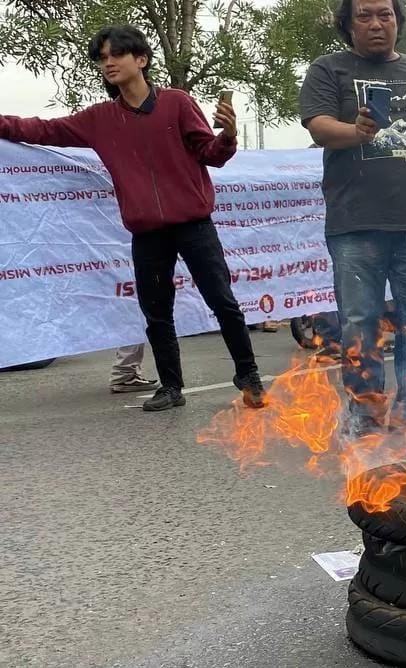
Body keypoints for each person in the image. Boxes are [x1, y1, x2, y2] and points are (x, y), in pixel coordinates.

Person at [0, 25, 265, 412]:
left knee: (222, 302)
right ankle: (171, 388)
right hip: (147, 234)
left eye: (116, 54)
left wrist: (227, 136)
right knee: (157, 314)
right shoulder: (99, 119)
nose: (108, 62)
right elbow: (41, 128)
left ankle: (249, 376)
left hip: (194, 226)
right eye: (102, 57)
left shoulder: (178, 103)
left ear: (141, 60)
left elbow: (211, 153)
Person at [299, 0, 406, 437]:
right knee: (360, 321)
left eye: (385, 15)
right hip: (355, 222)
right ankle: (366, 413)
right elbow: (317, 125)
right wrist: (354, 132)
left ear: (397, 21)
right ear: (348, 25)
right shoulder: (328, 69)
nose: (376, 24)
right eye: (365, 16)